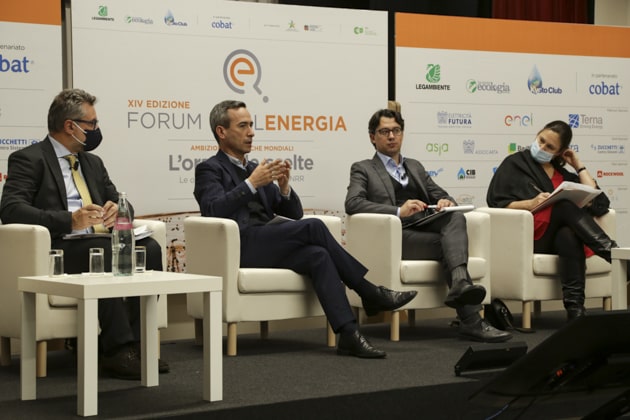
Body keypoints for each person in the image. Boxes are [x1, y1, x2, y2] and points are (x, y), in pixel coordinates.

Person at [194, 100, 418, 359]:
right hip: (238, 247)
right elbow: (212, 209)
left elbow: (294, 213)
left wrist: (284, 188)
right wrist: (250, 185)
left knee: (318, 256)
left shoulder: (255, 169)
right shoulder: (210, 169)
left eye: (251, 125)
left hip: (268, 242)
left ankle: (349, 334)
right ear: (221, 132)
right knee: (314, 225)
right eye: (243, 126)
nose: (251, 132)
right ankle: (368, 291)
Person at [0, 88, 168, 379]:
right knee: (101, 251)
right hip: (59, 247)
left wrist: (118, 210)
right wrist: (69, 220)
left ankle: (138, 346)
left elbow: (120, 200)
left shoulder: (93, 162)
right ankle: (117, 350)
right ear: (70, 126)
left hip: (98, 239)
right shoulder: (29, 159)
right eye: (92, 124)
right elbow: (11, 209)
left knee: (149, 249)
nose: (96, 129)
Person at [345, 108, 512, 343]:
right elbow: (353, 203)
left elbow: (443, 195)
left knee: (455, 216)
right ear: (373, 137)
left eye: (396, 130)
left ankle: (461, 286)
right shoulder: (363, 168)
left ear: (402, 133)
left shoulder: (414, 166)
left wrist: (445, 202)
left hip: (424, 226)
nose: (391, 136)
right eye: (384, 132)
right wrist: (398, 211)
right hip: (397, 236)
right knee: (449, 247)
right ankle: (472, 320)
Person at [486, 120, 617, 320]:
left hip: (558, 241)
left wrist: (578, 165)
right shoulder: (515, 163)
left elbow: (598, 203)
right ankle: (614, 255)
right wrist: (530, 203)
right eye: (541, 140)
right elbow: (496, 203)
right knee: (563, 205)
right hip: (531, 238)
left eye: (550, 147)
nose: (542, 148)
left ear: (559, 152)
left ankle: (576, 311)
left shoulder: (562, 174)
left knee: (568, 234)